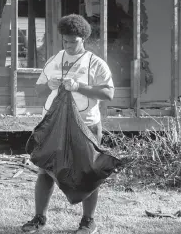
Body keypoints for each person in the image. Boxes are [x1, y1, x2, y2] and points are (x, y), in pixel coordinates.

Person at [21, 14, 114, 234]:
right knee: (45, 169)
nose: (70, 45)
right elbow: (38, 90)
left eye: (74, 41)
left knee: (88, 172)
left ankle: (87, 222)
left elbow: (108, 93)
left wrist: (79, 86)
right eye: (66, 41)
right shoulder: (55, 59)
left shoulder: (95, 63)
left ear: (83, 39)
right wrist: (50, 84)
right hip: (53, 125)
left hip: (85, 125)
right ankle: (38, 218)